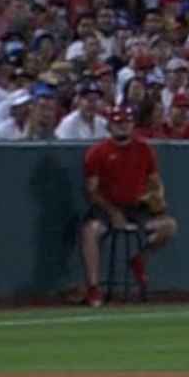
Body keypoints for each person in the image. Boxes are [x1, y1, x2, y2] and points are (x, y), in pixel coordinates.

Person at [73, 96, 178, 305]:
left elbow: (155, 181)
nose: (123, 127)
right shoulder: (98, 152)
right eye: (118, 123)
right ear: (110, 126)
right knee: (90, 231)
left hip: (136, 206)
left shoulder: (144, 149)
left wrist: (158, 196)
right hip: (106, 206)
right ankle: (93, 288)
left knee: (169, 226)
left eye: (127, 123)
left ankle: (140, 259)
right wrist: (112, 212)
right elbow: (92, 191)